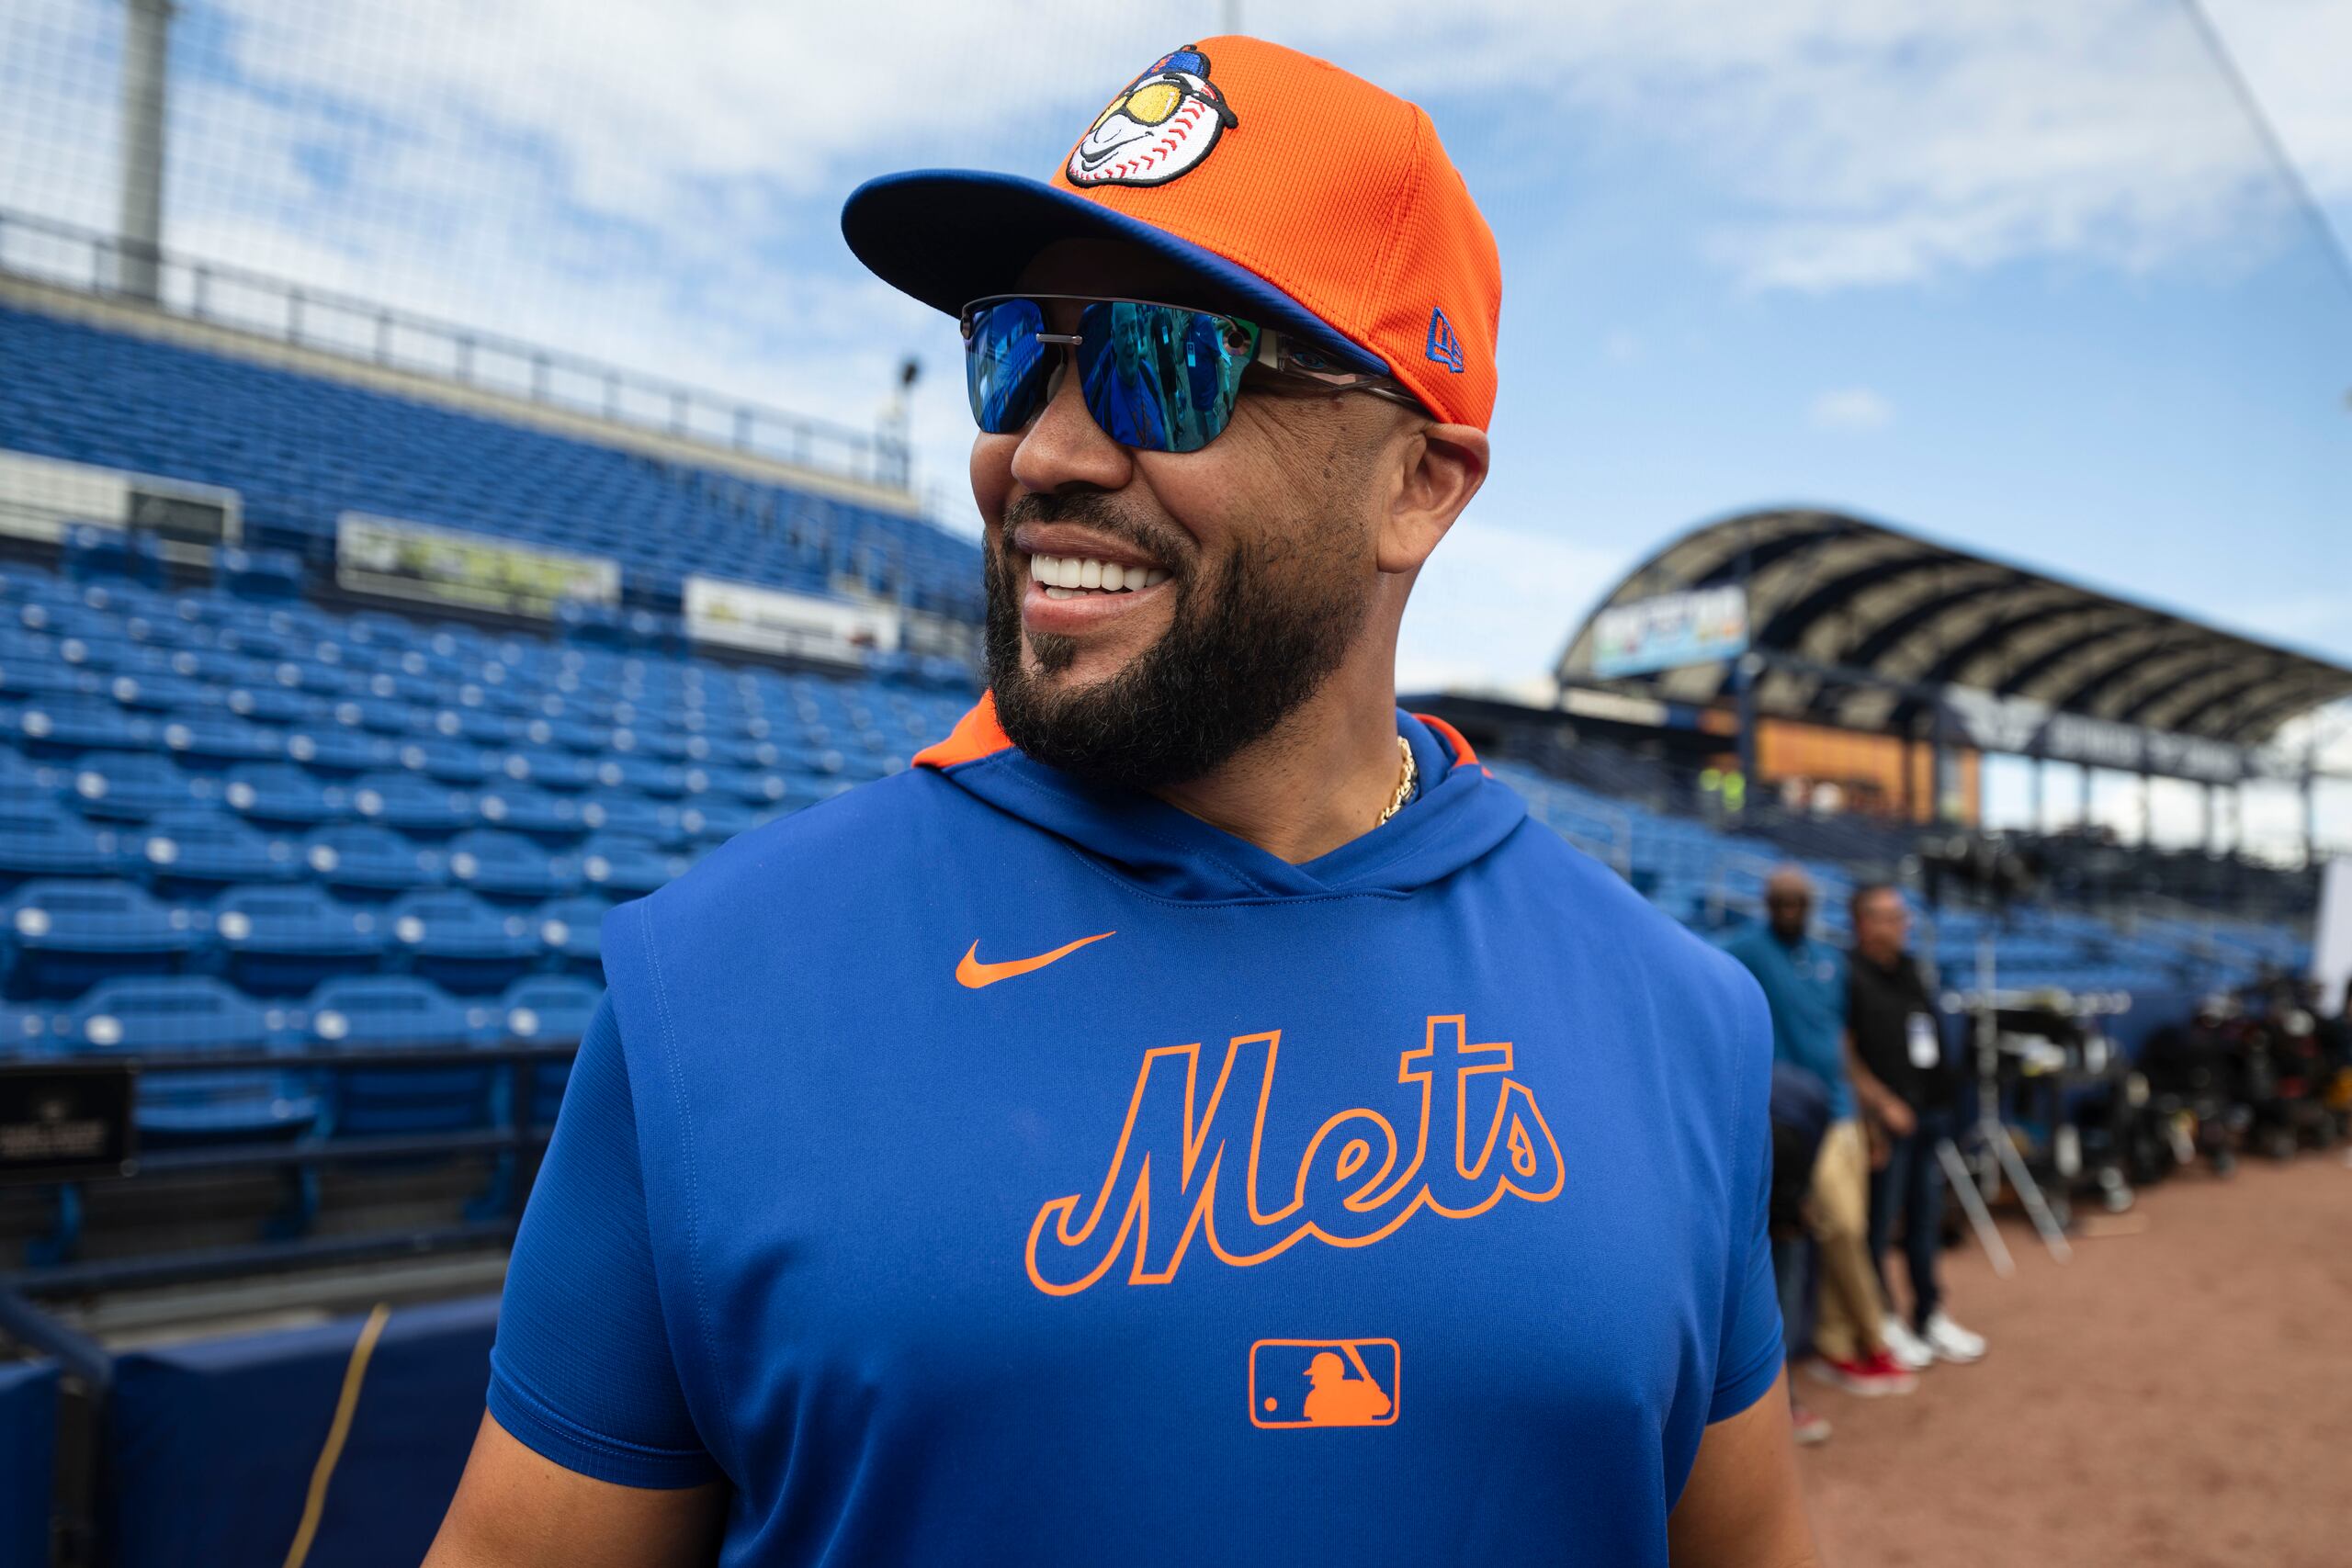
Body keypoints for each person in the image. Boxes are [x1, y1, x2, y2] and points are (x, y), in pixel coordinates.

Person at [427, 36, 1816, 1568]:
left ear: (1418, 483)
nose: (1043, 449)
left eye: (1170, 363)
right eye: (1018, 352)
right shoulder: (712, 983)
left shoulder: (1681, 1018)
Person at [1725, 867, 1917, 1398]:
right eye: (1780, 899)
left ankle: (1837, 1342)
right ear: (1766, 901)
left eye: (1799, 900)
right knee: (1844, 1227)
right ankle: (1873, 1336)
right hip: (1789, 1121)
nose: (1790, 907)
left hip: (1843, 1111)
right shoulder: (1747, 949)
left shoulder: (1830, 960)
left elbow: (1842, 1044)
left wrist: (1869, 1114)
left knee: (1843, 1231)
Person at [1844, 883, 1986, 1367]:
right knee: (1880, 1225)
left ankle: (1929, 1314)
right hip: (1884, 1124)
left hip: (1928, 1115)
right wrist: (1880, 1105)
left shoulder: (1911, 970)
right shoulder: (1848, 974)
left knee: (1926, 1221)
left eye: (1902, 917)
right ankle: (1883, 1321)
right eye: (1891, 917)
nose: (1902, 925)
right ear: (1864, 923)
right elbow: (1844, 1053)